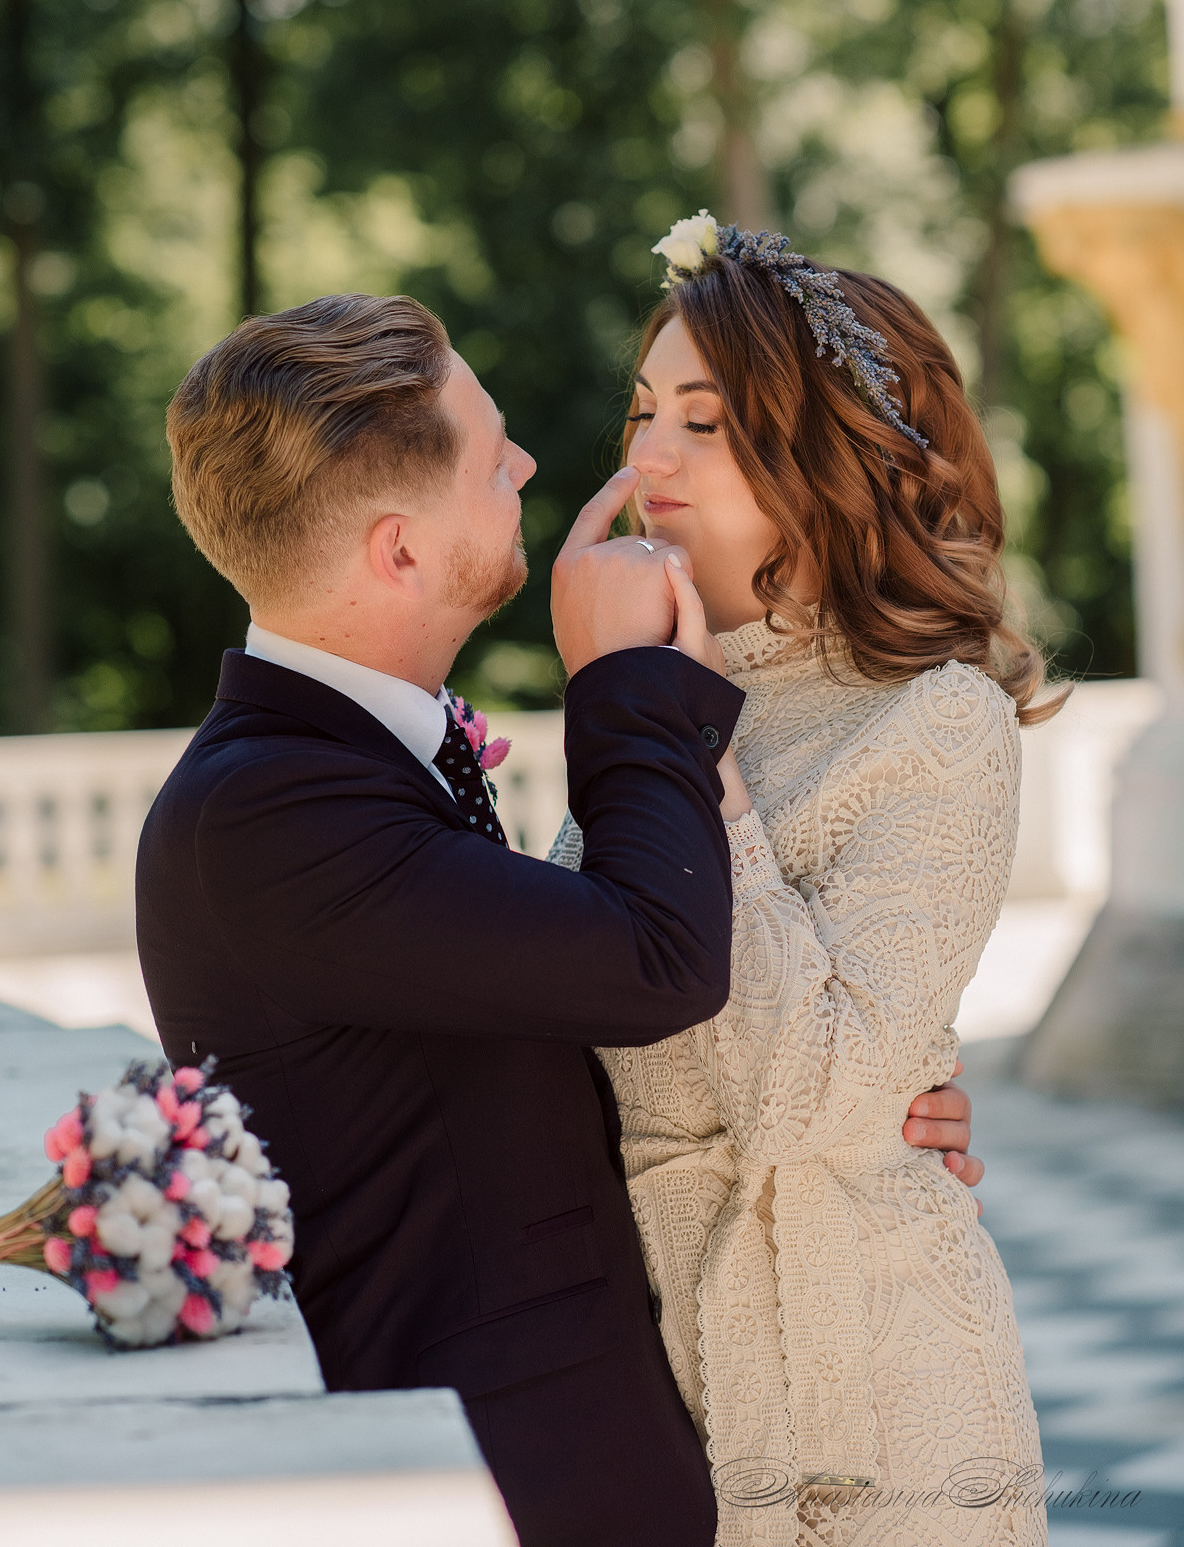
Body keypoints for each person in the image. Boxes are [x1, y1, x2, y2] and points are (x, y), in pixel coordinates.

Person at [136, 291, 981, 1547]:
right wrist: (624, 685)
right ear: (400, 550)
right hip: (506, 1474)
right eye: (490, 455)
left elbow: (553, 1008)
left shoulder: (337, 766)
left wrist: (874, 1099)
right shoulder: (268, 811)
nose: (535, 462)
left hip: (639, 1426)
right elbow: (653, 957)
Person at [552, 215, 1049, 1545]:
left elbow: (813, 1096)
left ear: (817, 455)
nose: (645, 455)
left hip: (872, 1405)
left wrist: (683, 757)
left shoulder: (935, 722)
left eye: (702, 424)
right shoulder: (652, 697)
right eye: (644, 411)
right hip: (645, 1369)